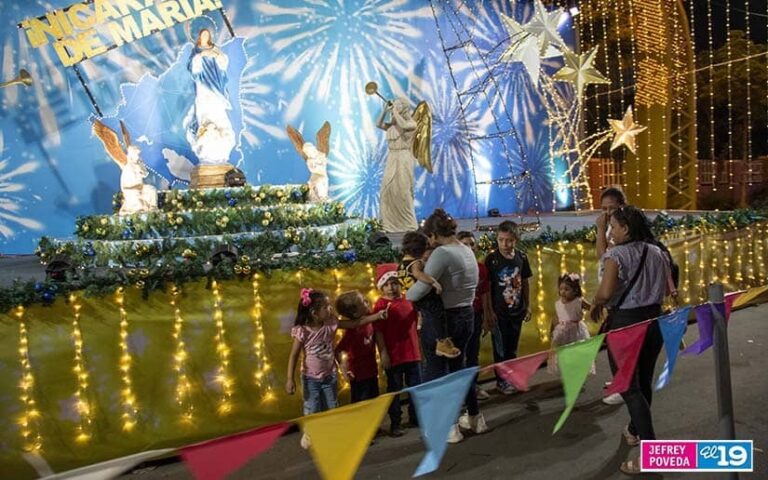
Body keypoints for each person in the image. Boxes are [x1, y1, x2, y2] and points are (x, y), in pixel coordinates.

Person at [589, 205, 672, 476]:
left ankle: (652, 454)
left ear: (626, 228)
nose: (611, 231)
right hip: (655, 322)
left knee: (628, 387)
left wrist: (596, 304)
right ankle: (635, 430)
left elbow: (605, 292)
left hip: (626, 324)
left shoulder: (616, 255)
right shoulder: (658, 251)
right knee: (643, 381)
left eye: (613, 226)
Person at [406, 209, 487, 443]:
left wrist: (406, 296)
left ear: (432, 235)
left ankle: (449, 427)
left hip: (444, 320)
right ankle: (475, 417)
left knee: (437, 374)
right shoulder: (466, 249)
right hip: (467, 315)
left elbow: (420, 290)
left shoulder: (442, 253)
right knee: (460, 369)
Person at [286, 289, 384, 449]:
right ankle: (311, 432)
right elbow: (294, 355)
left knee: (333, 406)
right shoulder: (302, 331)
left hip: (329, 375)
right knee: (313, 406)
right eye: (326, 307)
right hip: (311, 378)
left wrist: (377, 316)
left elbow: (354, 323)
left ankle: (335, 433)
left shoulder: (331, 324)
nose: (330, 309)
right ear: (314, 312)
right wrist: (290, 379)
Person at [483, 221, 532, 395]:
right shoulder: (492, 259)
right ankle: (501, 381)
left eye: (509, 240)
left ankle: (511, 377)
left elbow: (525, 282)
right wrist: (489, 312)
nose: (505, 244)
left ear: (516, 240)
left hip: (516, 311)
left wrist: (528, 305)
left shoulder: (521, 257)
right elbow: (487, 289)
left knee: (512, 347)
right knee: (500, 349)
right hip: (499, 313)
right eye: (501, 240)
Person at [373, 265, 422, 437]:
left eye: (394, 283)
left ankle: (416, 416)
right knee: (395, 389)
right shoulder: (380, 305)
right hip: (394, 356)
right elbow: (378, 331)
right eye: (387, 284)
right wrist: (383, 353)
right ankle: (396, 422)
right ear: (381, 287)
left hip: (412, 353)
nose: (391, 288)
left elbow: (416, 324)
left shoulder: (409, 300)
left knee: (416, 387)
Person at [398, 231, 460, 358]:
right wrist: (433, 281)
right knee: (438, 314)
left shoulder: (400, 265)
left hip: (414, 300)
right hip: (425, 298)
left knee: (428, 316)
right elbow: (417, 274)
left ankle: (436, 336)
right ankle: (442, 342)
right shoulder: (416, 263)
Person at [595, 186, 628, 405]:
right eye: (603, 209)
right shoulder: (611, 228)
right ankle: (621, 381)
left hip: (620, 295)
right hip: (613, 295)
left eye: (611, 208)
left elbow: (603, 255)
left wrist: (600, 229)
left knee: (619, 342)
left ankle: (624, 387)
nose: (607, 213)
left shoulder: (621, 230)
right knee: (615, 340)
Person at [184, 28, 236, 165]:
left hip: (215, 85)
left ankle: (221, 141)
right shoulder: (196, 51)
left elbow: (223, 62)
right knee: (204, 107)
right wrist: (201, 56)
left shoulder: (215, 49)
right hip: (203, 86)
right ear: (200, 37)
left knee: (217, 110)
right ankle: (204, 137)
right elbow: (192, 67)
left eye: (207, 35)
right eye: (203, 35)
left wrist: (216, 56)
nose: (205, 37)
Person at [334, 291, 389, 403]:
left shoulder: (370, 320)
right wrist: (344, 369)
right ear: (355, 314)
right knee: (361, 403)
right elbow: (339, 350)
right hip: (358, 376)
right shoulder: (353, 332)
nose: (367, 302)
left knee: (374, 401)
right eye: (363, 302)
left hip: (372, 372)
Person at [458, 231, 491, 400]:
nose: (469, 247)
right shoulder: (454, 268)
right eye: (465, 244)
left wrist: (486, 317)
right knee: (459, 354)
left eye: (472, 244)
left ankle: (473, 387)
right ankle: (461, 391)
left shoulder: (481, 268)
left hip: (476, 315)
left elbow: (485, 293)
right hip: (459, 317)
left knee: (473, 353)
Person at [377, 98, 418, 232]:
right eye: (395, 103)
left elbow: (404, 126)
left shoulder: (410, 123)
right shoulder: (392, 126)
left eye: (399, 104)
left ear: (405, 108)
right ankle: (389, 223)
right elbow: (378, 124)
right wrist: (384, 110)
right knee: (387, 190)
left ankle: (408, 223)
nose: (396, 105)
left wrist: (395, 111)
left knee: (403, 191)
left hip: (403, 159)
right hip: (392, 158)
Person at [547, 273, 593, 375]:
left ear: (575, 290)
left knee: (577, 352)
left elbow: (591, 307)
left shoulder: (578, 301)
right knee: (563, 353)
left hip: (576, 332)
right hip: (562, 332)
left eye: (567, 289)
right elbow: (555, 318)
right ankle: (567, 372)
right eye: (561, 289)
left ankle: (578, 371)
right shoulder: (558, 303)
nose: (563, 292)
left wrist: (597, 306)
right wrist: (551, 330)